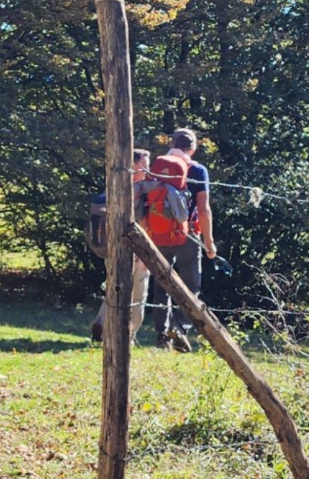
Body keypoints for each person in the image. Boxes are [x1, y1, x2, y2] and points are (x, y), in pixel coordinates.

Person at [148, 128, 216, 352]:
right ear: (193, 148)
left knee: (161, 285)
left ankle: (162, 338)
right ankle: (180, 327)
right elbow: (204, 209)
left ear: (171, 143)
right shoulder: (197, 170)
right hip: (187, 234)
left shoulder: (157, 167)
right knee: (191, 286)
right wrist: (209, 241)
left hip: (158, 233)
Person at [88, 149, 152, 342]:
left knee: (114, 289)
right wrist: (145, 257)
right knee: (137, 295)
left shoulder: (112, 190)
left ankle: (101, 323)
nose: (148, 170)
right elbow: (143, 225)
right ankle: (129, 335)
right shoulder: (138, 193)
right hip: (135, 252)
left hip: (112, 251)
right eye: (145, 165)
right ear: (133, 165)